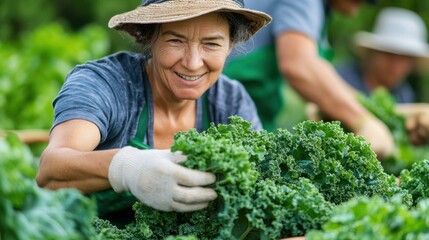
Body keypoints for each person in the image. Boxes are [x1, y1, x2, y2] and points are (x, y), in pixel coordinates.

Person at [35, 0, 272, 224]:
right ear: (149, 37)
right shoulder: (105, 84)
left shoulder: (230, 102)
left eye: (211, 43)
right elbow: (51, 170)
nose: (192, 63)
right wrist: (127, 168)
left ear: (230, 45)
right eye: (175, 41)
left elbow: (259, 197)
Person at [223, 0, 395, 159]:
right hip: (224, 109)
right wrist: (362, 120)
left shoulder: (319, 12)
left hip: (251, 117)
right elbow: (299, 65)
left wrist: (391, 114)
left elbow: (325, 79)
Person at [336, 7, 429, 145]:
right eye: (390, 55)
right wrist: (416, 110)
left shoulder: (404, 93)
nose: (397, 66)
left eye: (405, 58)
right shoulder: (342, 77)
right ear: (374, 53)